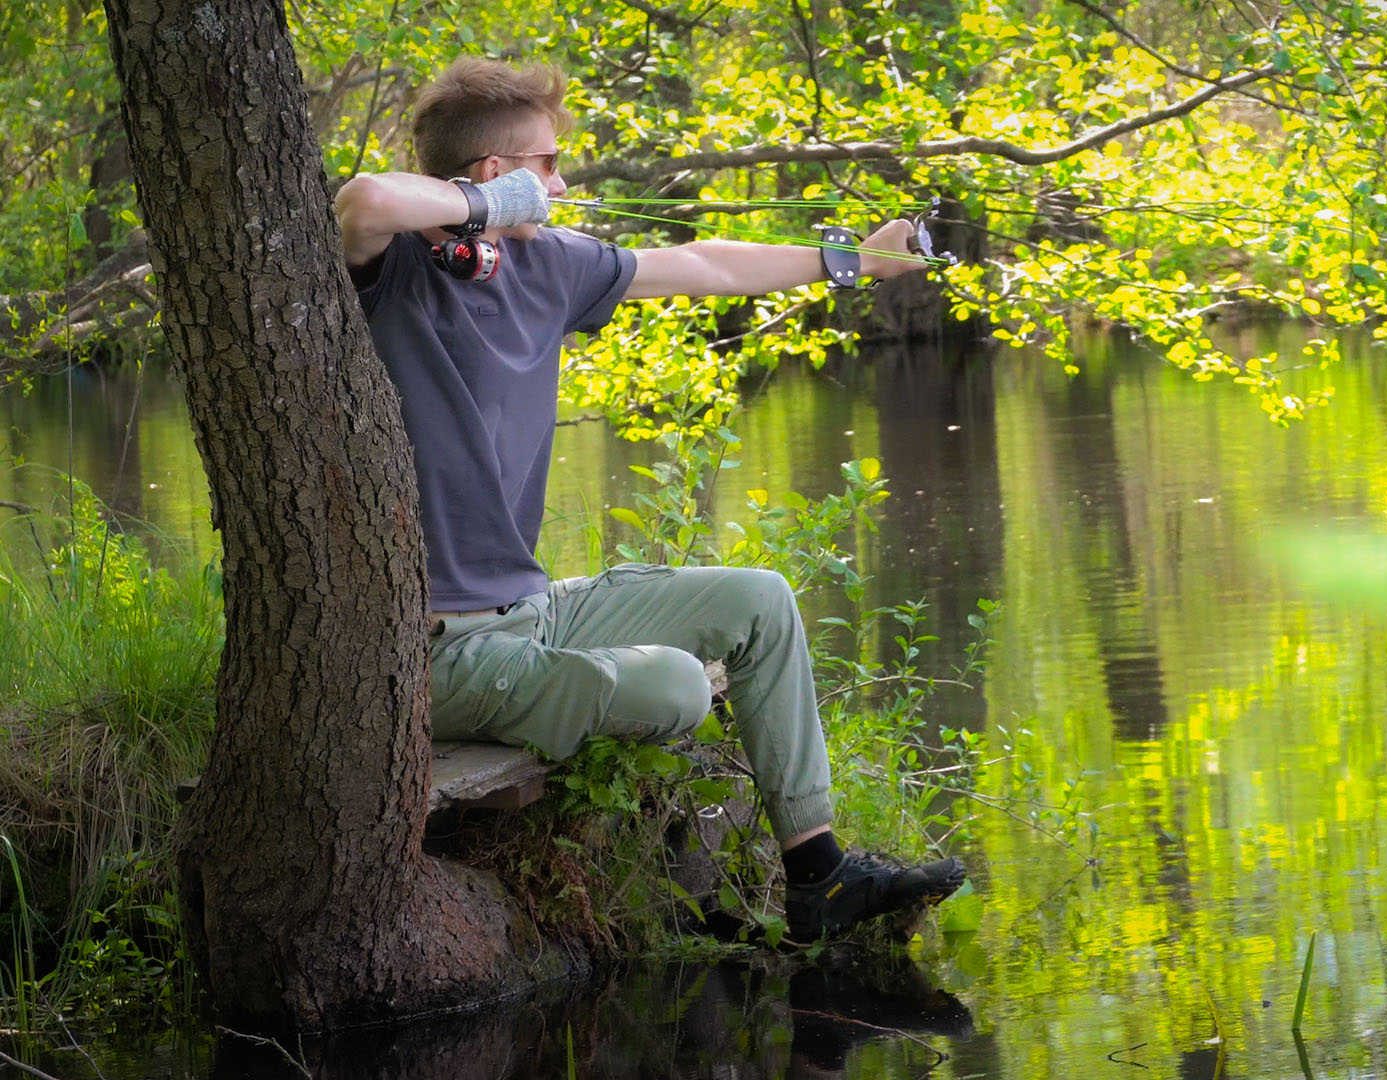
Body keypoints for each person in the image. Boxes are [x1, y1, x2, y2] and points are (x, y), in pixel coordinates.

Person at [332, 56, 965, 942]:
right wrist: (487, 211)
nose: (561, 180)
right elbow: (361, 201)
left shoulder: (552, 265)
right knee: (672, 685)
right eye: (545, 164)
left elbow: (706, 262)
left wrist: (850, 259)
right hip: (440, 651)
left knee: (761, 601)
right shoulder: (397, 269)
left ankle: (819, 876)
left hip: (529, 613)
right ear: (490, 176)